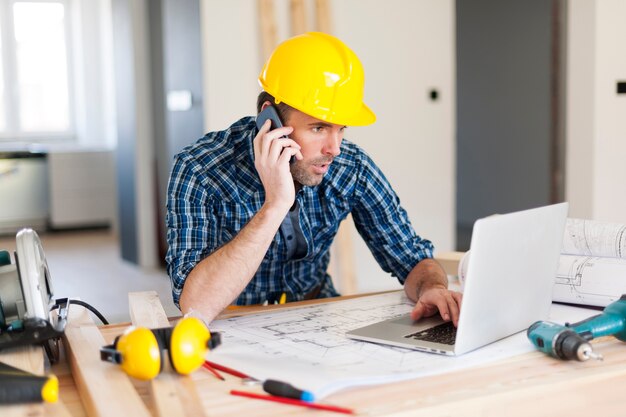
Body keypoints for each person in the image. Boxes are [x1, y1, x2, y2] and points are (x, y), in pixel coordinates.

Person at [166, 32, 462, 324]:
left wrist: (433, 288)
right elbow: (195, 305)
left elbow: (411, 257)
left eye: (341, 128)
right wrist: (275, 204)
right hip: (231, 322)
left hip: (316, 315)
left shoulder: (350, 166)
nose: (334, 149)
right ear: (270, 120)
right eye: (319, 128)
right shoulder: (200, 169)